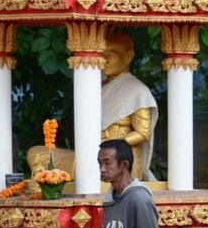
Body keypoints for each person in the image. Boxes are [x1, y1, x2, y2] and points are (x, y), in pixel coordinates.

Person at [27, 33, 159, 181]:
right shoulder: (98, 87)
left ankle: (68, 174)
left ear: (128, 56)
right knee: (35, 153)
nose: (105, 61)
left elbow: (143, 133)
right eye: (102, 56)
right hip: (92, 153)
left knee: (85, 167)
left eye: (110, 55)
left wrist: (114, 145)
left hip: (115, 159)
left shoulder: (137, 91)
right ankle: (60, 174)